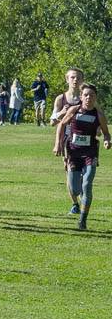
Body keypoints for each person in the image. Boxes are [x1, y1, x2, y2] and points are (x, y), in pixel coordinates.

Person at [53, 83, 111, 231]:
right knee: (75, 189)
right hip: (73, 152)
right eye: (86, 95)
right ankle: (80, 199)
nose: (88, 97)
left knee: (87, 185)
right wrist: (58, 144)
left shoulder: (99, 115)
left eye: (91, 95)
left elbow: (106, 132)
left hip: (90, 153)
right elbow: (61, 125)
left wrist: (106, 140)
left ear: (95, 98)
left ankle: (83, 220)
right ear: (81, 97)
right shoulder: (74, 110)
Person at [51, 68, 85, 213]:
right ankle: (75, 203)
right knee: (70, 171)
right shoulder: (61, 99)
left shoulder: (87, 97)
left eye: (78, 78)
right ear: (67, 79)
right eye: (72, 77)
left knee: (84, 172)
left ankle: (84, 197)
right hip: (67, 139)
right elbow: (52, 121)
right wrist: (62, 113)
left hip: (84, 139)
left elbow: (97, 115)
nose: (75, 80)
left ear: (82, 80)